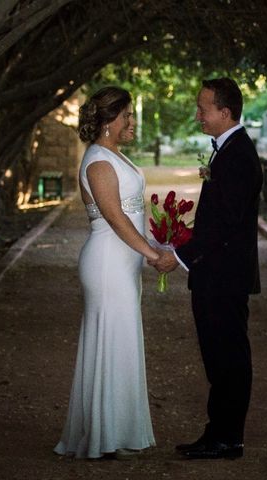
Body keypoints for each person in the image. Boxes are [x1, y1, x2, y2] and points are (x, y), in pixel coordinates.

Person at [150, 78, 263, 459]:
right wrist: (182, 238)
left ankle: (227, 437)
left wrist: (178, 255)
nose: (197, 115)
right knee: (218, 356)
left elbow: (225, 224)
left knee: (227, 356)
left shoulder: (238, 156)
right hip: (217, 275)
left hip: (224, 278)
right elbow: (217, 219)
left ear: (225, 113)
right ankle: (221, 433)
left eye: (203, 109)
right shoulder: (227, 151)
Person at [54, 86, 158, 459]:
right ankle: (103, 436)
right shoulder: (98, 161)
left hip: (123, 264)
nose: (132, 122)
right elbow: (114, 217)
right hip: (107, 263)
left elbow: (133, 211)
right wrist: (151, 252)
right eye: (127, 116)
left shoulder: (116, 155)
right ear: (109, 121)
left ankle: (117, 430)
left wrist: (157, 240)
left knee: (122, 343)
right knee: (111, 343)